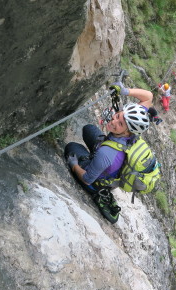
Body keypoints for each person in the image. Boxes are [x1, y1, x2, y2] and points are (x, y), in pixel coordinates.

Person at [64, 82, 153, 223]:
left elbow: (87, 179)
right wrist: (125, 91)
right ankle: (95, 161)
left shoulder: (106, 153)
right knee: (88, 129)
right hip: (110, 153)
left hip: (97, 179)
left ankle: (89, 167)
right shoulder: (133, 129)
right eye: (118, 116)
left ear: (127, 131)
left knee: (71, 147)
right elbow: (148, 97)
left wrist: (75, 166)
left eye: (120, 124)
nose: (114, 121)